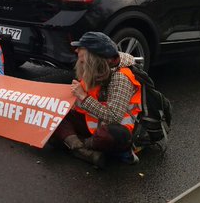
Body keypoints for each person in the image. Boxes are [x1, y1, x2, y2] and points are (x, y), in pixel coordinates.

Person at [51, 31, 141, 168]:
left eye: (80, 48)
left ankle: (79, 146)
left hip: (113, 131)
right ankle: (84, 151)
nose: (76, 51)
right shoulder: (95, 68)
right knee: (53, 116)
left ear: (92, 54)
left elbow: (114, 117)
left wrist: (83, 96)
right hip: (92, 124)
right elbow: (84, 104)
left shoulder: (120, 77)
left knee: (110, 136)